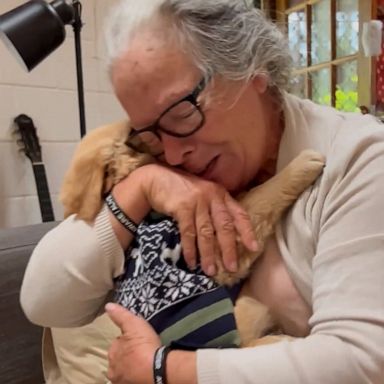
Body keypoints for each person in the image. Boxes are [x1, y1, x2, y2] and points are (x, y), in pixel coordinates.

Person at [20, 0, 384, 383]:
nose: (174, 152)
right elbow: (44, 301)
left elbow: (364, 361)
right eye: (151, 134)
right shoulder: (161, 166)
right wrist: (143, 187)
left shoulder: (359, 159)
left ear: (249, 67)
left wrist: (165, 370)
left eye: (182, 114)